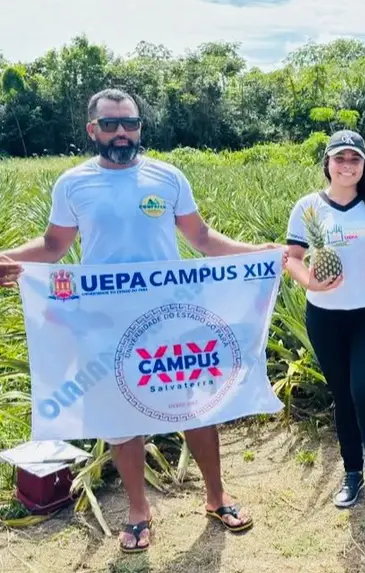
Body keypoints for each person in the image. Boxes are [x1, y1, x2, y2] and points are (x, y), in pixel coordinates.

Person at [0, 88, 273, 552]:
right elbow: (53, 247)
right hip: (103, 321)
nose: (122, 132)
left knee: (193, 405)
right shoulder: (73, 184)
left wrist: (259, 253)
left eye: (130, 123)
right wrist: (6, 258)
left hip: (167, 316)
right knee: (120, 416)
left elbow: (202, 238)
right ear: (93, 130)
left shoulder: (167, 178)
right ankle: (138, 511)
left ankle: (216, 496)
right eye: (110, 124)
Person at [285, 129, 365, 518]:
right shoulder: (308, 206)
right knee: (342, 395)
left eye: (354, 159)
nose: (347, 165)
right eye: (339, 158)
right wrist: (310, 280)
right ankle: (352, 472)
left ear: (363, 165)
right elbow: (292, 257)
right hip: (324, 316)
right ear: (328, 163)